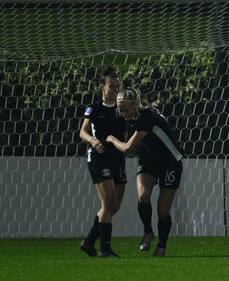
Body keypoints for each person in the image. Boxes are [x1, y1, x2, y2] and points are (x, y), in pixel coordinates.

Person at [106, 87, 184, 258]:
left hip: (171, 161)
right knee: (143, 195)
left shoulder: (147, 118)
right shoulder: (135, 115)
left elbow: (127, 149)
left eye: (126, 110)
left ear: (135, 105)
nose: (123, 113)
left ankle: (162, 246)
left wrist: (111, 139)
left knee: (163, 210)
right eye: (120, 110)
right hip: (149, 160)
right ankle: (148, 232)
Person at [79, 66, 126, 258]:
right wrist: (92, 139)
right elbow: (82, 131)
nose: (115, 89)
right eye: (112, 86)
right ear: (102, 87)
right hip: (99, 158)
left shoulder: (122, 107)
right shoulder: (94, 108)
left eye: (117, 86)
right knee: (107, 203)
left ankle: (89, 242)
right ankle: (105, 249)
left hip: (117, 158)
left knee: (114, 205)